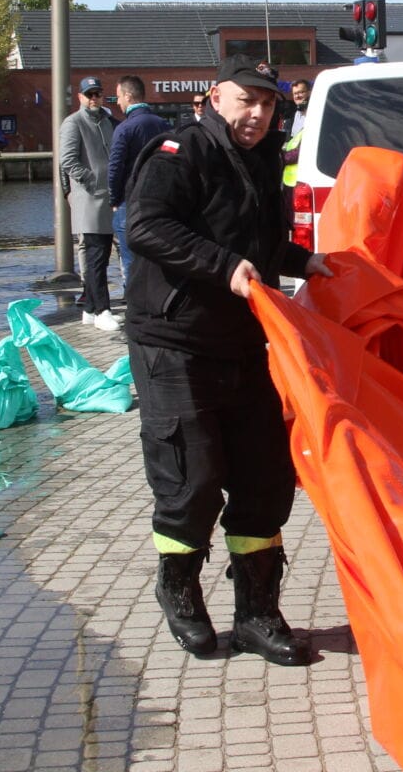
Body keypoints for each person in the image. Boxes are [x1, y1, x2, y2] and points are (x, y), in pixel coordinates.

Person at [124, 55, 332, 665]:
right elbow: (146, 226)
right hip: (176, 340)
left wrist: (300, 262)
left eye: (267, 104)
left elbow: (256, 241)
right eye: (246, 100)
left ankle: (257, 615)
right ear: (216, 98)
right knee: (194, 476)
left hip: (244, 342)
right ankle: (178, 587)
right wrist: (222, 267)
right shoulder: (179, 149)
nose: (258, 113)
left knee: (263, 478)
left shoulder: (263, 159)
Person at [59, 75, 120, 330]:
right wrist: (93, 181)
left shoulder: (108, 121)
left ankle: (90, 308)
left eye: (97, 93)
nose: (94, 98)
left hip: (107, 199)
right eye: (89, 94)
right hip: (90, 199)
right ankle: (102, 309)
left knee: (101, 256)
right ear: (80, 97)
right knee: (95, 257)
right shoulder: (73, 123)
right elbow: (68, 160)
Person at [108, 74, 169, 284]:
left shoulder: (124, 129)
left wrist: (114, 199)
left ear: (128, 96)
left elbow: (115, 167)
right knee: (158, 254)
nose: (117, 102)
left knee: (129, 255)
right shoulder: (163, 125)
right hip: (160, 199)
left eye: (118, 97)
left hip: (130, 199)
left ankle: (133, 301)